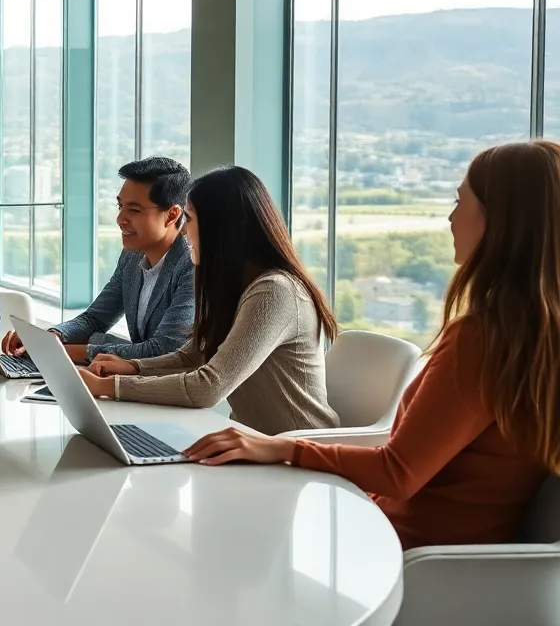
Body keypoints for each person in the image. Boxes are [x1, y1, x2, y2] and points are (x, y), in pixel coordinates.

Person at [183, 142, 560, 549]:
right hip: (445, 552)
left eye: (459, 200)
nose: (451, 216)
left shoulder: (483, 338)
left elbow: (398, 472)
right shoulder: (533, 336)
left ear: (500, 220)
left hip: (405, 552)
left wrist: (280, 448)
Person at [79, 166, 340, 436]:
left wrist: (110, 387)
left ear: (220, 227)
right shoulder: (232, 285)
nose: (182, 232)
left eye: (189, 219)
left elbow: (208, 387)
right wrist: (133, 367)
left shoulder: (274, 291)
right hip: (249, 444)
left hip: (299, 451)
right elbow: (194, 356)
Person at [2, 156, 195, 363]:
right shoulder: (132, 256)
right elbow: (94, 319)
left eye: (134, 210)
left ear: (172, 215)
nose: (120, 219)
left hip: (172, 386)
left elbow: (164, 350)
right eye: (120, 206)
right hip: (136, 379)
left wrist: (55, 352)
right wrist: (50, 337)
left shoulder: (193, 266)